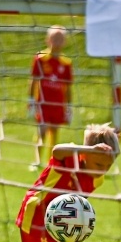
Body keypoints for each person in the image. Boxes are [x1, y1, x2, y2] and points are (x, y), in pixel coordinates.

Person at [28, 25, 74, 168]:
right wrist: (31, 100)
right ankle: (37, 161)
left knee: (54, 132)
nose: (57, 42)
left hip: (58, 104)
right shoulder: (40, 58)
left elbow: (68, 87)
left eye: (60, 39)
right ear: (47, 40)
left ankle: (51, 163)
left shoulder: (66, 63)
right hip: (43, 103)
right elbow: (34, 80)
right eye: (54, 38)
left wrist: (69, 107)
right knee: (42, 130)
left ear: (65, 41)